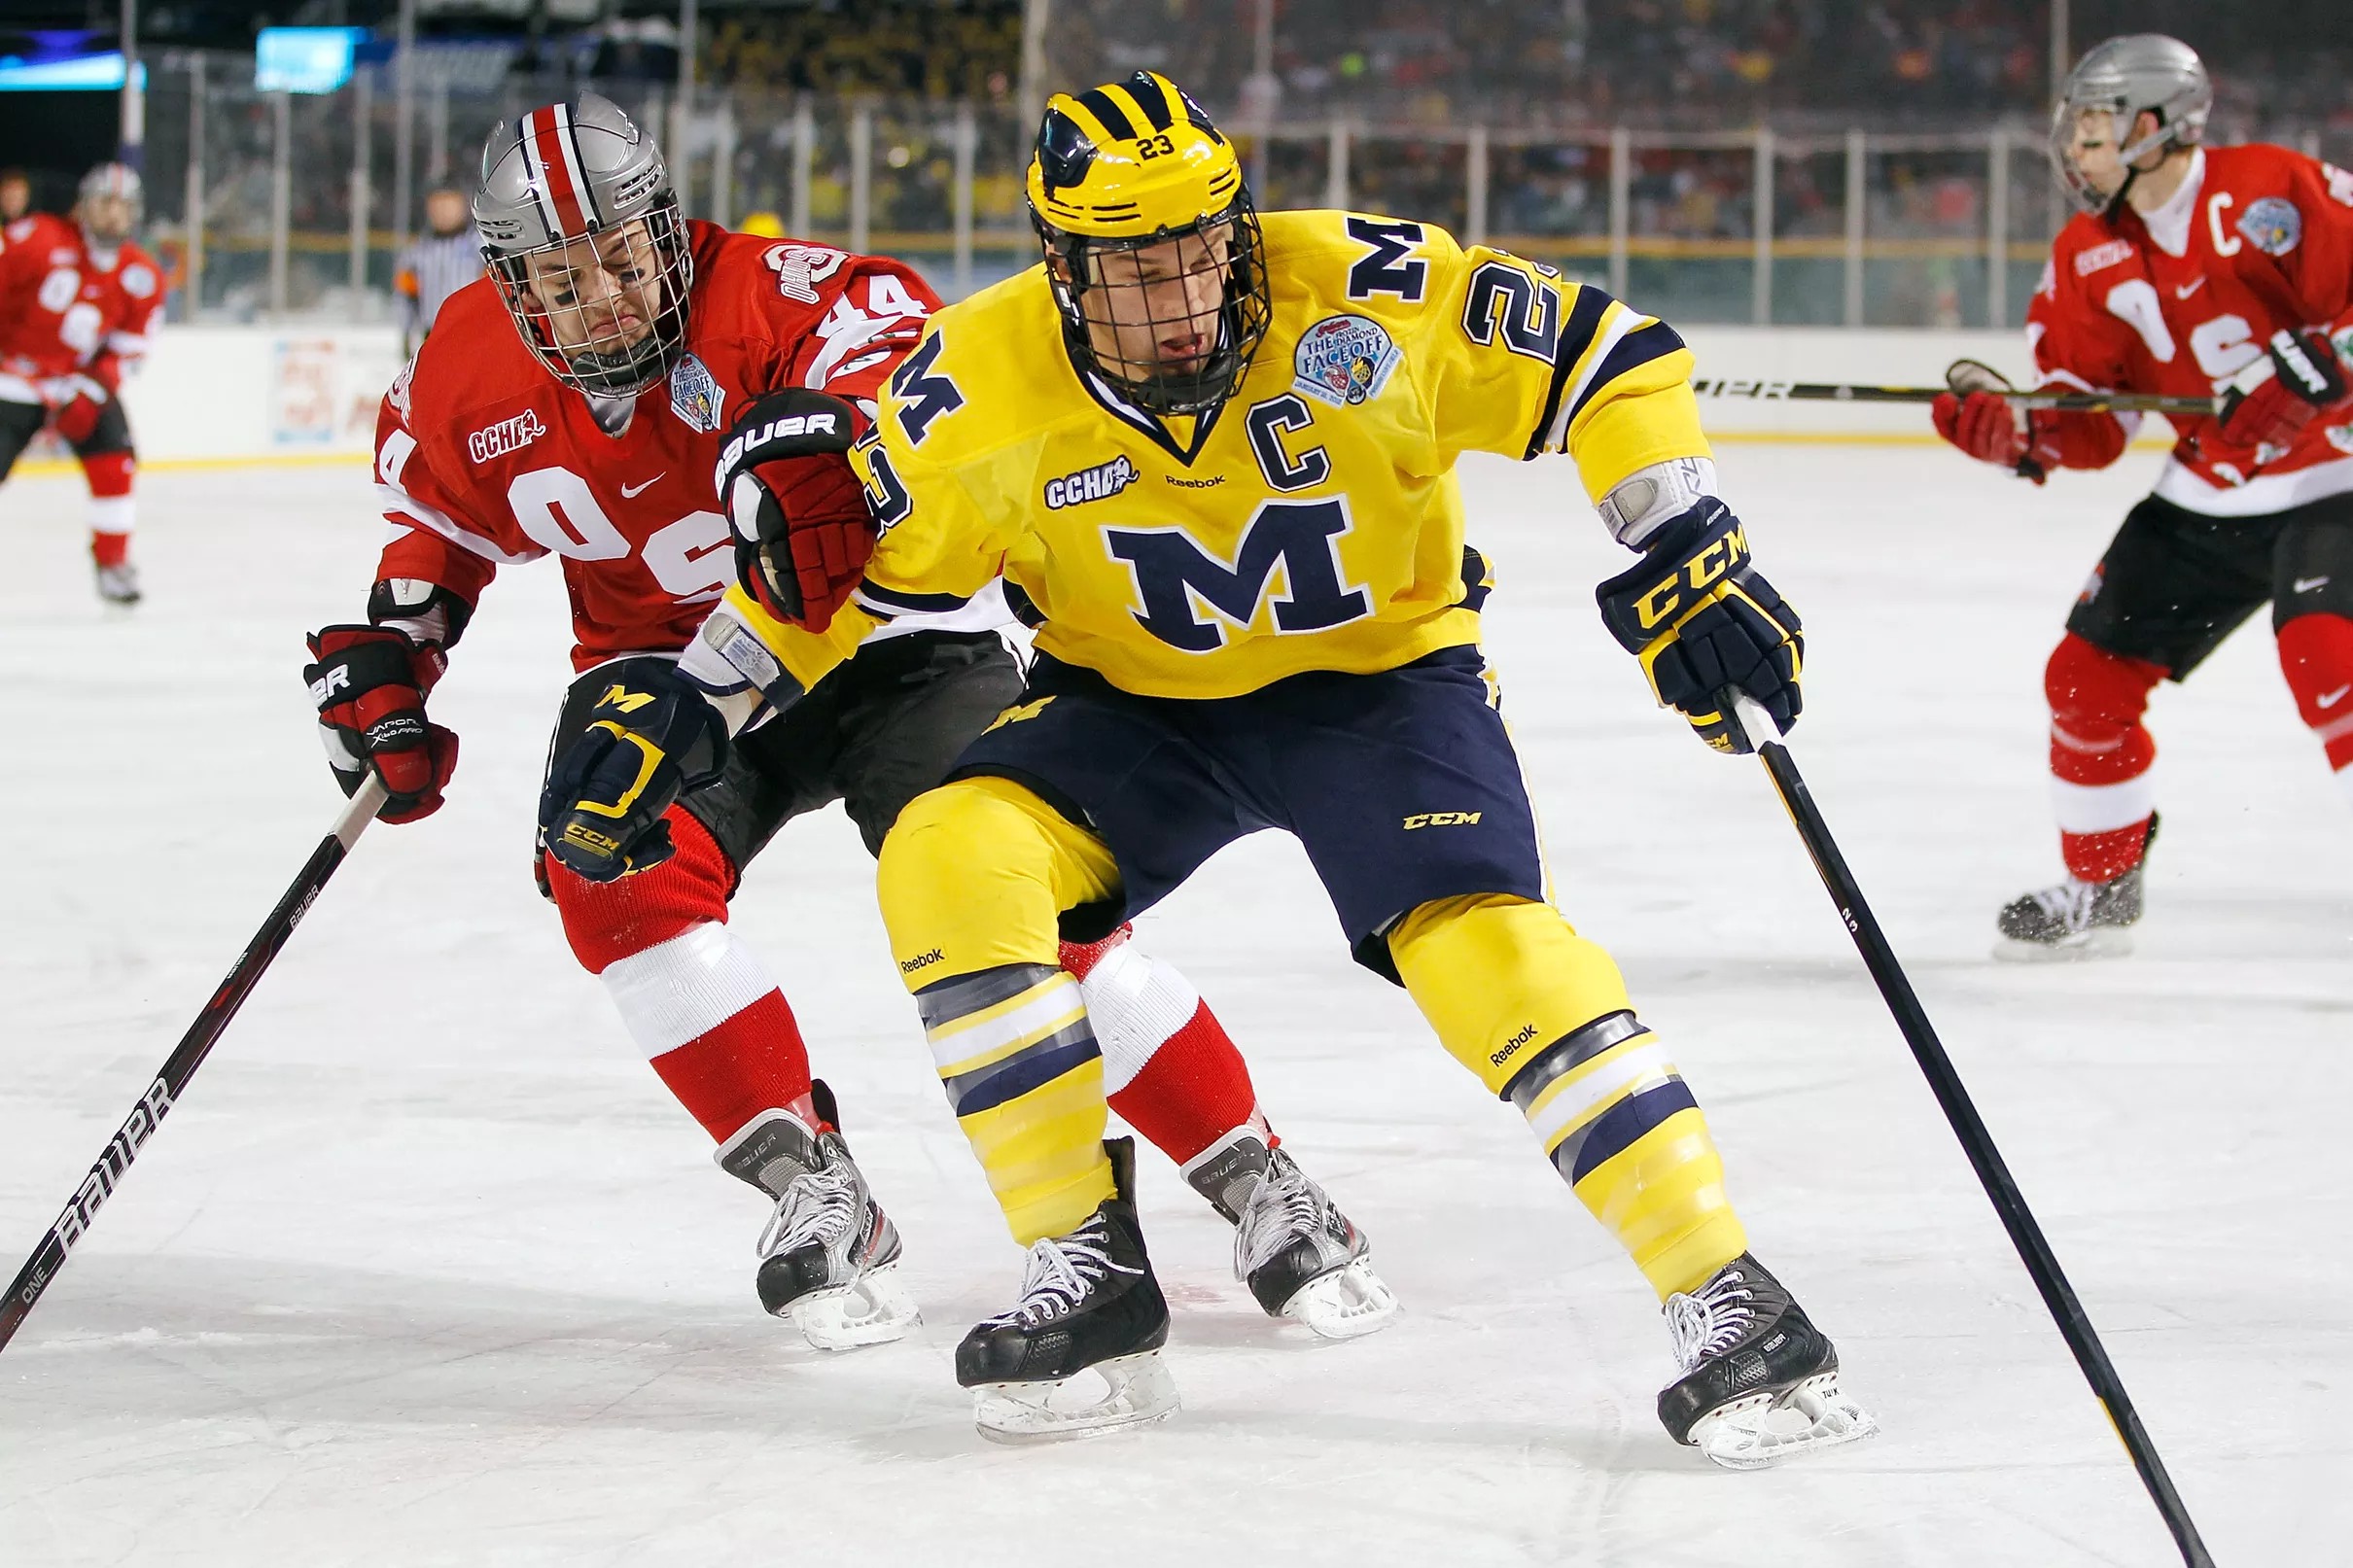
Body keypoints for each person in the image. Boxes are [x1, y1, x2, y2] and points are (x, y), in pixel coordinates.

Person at [551, 71, 1872, 1459]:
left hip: (1381, 687)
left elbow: (1609, 354)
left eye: (1200, 255)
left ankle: (1725, 1291)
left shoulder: (1371, 287)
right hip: (1132, 710)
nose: (1178, 300)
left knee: (1483, 950)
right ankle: (1088, 1267)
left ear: (1238, 232)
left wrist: (1682, 541)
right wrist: (695, 706)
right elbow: (834, 573)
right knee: (950, 853)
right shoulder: (977, 378)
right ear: (1062, 270)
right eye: (1132, 274)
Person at [307, 94, 1392, 1351]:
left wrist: (825, 433)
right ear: (511, 281)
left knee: (1021, 897)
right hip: (669, 679)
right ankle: (808, 1179)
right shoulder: (464, 359)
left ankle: (1249, 1166)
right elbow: (436, 525)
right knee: (605, 872)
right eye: (561, 274)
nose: (601, 294)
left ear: (668, 228)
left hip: (886, 644)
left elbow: (906, 365)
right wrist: (398, 656)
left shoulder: (780, 292)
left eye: (621, 256)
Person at [1933, 35, 2353, 958]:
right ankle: (2105, 886)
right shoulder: (2088, 257)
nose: (2076, 149)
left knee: (2331, 655)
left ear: (2159, 125)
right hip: (2210, 490)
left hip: (2337, 476)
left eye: (2094, 127)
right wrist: (2025, 434)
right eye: (2075, 129)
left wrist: (2327, 360)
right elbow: (2095, 423)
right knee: (2083, 683)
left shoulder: (2274, 189)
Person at [0, 162, 163, 606]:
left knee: (115, 462)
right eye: (104, 203)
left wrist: (93, 390)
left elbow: (131, 350)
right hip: (12, 379)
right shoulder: (35, 239)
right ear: (82, 206)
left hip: (78, 382)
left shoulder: (141, 274)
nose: (113, 215)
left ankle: (113, 565)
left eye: (122, 206)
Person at [393, 186, 484, 357]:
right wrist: (406, 332)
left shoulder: (480, 247)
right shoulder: (417, 252)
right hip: (432, 333)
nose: (443, 210)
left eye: (449, 203)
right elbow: (406, 295)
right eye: (437, 204)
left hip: (474, 332)